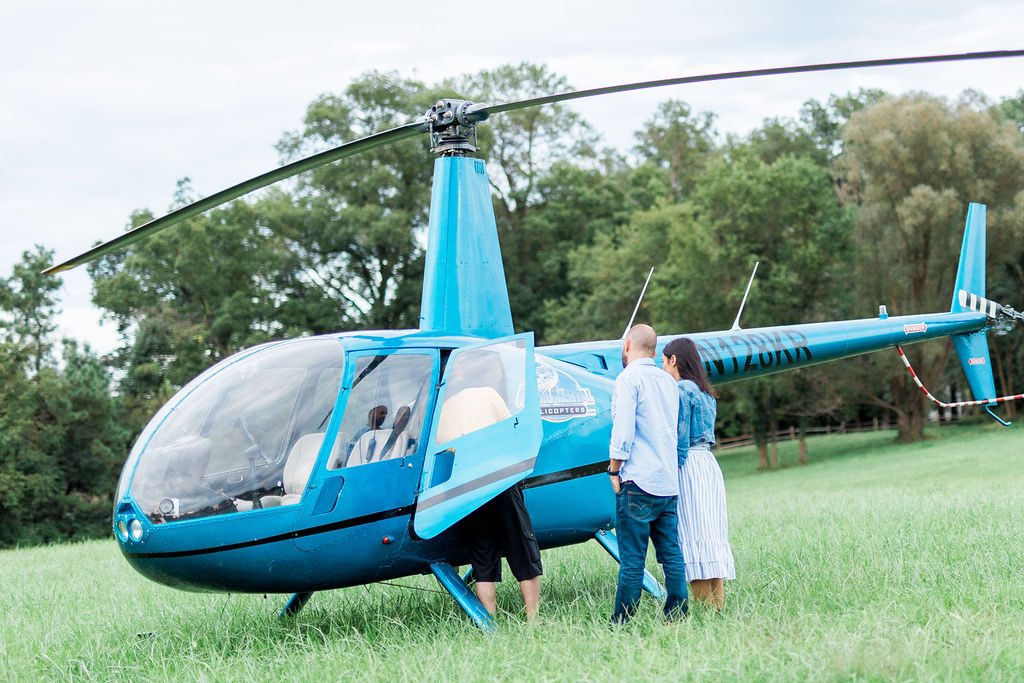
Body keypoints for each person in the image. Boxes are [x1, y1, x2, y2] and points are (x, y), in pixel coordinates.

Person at [440, 353, 542, 623]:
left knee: (482, 560)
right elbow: (513, 433)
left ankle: (489, 620)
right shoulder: (489, 394)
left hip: (466, 489)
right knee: (523, 550)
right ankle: (533, 619)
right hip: (499, 481)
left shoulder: (444, 407)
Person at [608, 324, 689, 624]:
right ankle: (677, 615)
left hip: (638, 481)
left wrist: (614, 468)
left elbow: (624, 430)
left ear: (627, 345)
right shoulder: (668, 382)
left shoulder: (628, 379)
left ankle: (622, 621)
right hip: (667, 483)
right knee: (671, 554)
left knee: (632, 560)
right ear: (655, 351)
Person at [662, 337, 735, 609]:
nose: (662, 368)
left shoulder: (682, 389)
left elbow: (680, 437)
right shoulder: (706, 391)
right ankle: (717, 608)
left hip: (689, 465)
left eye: (663, 361)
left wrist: (671, 469)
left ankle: (705, 611)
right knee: (710, 535)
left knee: (692, 535)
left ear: (674, 360)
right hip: (707, 463)